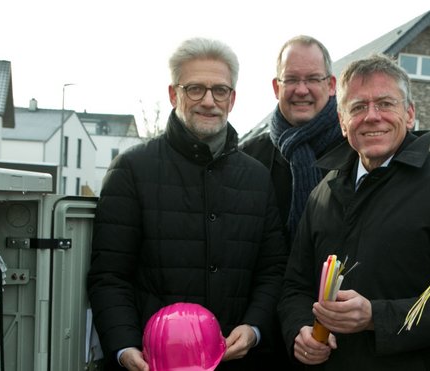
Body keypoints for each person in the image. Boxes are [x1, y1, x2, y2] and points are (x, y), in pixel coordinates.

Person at [278, 54, 430, 370]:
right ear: (342, 122)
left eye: (385, 104)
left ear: (409, 114)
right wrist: (299, 329)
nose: (372, 116)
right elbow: (295, 287)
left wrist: (376, 318)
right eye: (357, 107)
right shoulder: (322, 193)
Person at [88, 37, 286, 371]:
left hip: (234, 361)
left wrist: (254, 328)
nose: (209, 101)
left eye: (220, 90)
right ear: (173, 94)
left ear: (232, 99)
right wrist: (124, 347)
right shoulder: (132, 169)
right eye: (195, 89)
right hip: (153, 363)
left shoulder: (256, 177)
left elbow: (273, 270)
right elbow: (110, 275)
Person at [240, 35, 346, 240]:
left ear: (332, 85)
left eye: (313, 79)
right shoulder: (249, 158)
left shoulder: (356, 153)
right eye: (291, 79)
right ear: (276, 87)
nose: (301, 90)